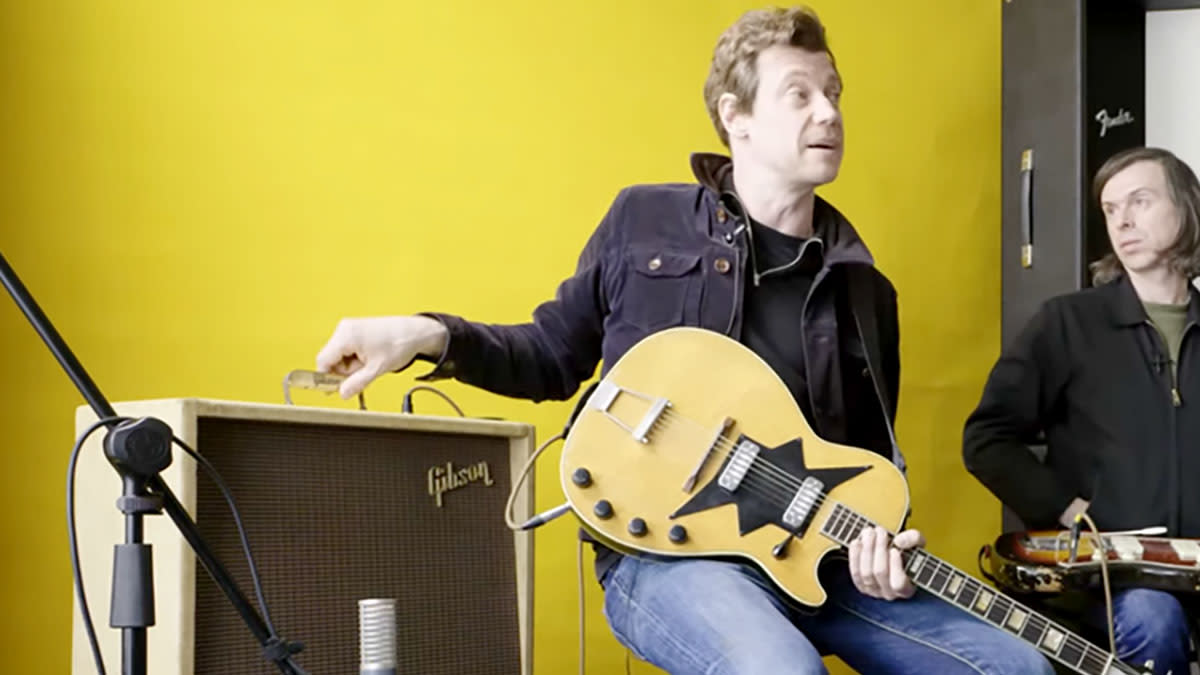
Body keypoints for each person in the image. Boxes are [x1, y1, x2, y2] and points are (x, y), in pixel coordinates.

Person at [317, 7, 1053, 674]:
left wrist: (875, 552)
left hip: (815, 570)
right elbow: (548, 355)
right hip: (667, 558)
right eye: (799, 93)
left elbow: (859, 470)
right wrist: (427, 334)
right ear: (737, 118)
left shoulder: (865, 292)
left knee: (1016, 668)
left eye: (834, 92)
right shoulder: (645, 222)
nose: (828, 111)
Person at [963, 146, 1200, 675]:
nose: (1123, 220)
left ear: (1186, 208)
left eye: (1139, 201)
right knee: (1154, 620)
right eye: (1111, 210)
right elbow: (986, 439)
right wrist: (1066, 509)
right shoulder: (1066, 324)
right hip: (1107, 581)